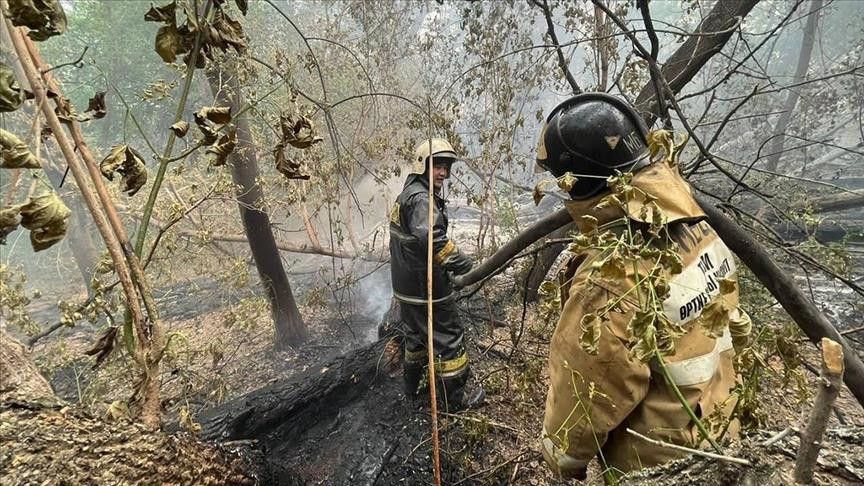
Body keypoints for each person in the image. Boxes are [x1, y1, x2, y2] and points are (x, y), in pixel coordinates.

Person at [534, 93, 749, 479]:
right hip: (722, 432)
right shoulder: (698, 226)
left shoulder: (613, 274)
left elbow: (588, 393)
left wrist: (561, 453)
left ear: (577, 180)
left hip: (661, 464)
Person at [388, 137, 485, 411]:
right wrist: (465, 266)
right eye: (437, 166)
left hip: (406, 289)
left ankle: (414, 390)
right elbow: (433, 239)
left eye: (446, 167)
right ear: (422, 166)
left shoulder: (407, 194)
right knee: (449, 339)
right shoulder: (420, 199)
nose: (443, 172)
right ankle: (454, 401)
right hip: (426, 287)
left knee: (416, 338)